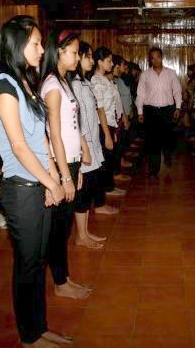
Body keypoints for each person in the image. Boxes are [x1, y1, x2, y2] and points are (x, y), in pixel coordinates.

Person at [0, 15, 69, 347]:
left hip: (39, 183)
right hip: (22, 190)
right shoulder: (4, 85)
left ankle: (40, 327)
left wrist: (53, 177)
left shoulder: (26, 82)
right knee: (27, 264)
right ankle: (29, 336)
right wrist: (51, 183)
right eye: (35, 43)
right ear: (17, 45)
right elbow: (19, 146)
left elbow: (42, 139)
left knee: (38, 261)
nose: (40, 49)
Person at [41, 30, 93, 300]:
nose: (77, 57)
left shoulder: (64, 81)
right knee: (59, 229)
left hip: (71, 163)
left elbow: (72, 128)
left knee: (63, 227)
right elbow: (55, 135)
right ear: (59, 52)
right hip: (62, 166)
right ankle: (61, 283)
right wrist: (65, 176)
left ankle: (65, 278)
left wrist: (78, 167)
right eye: (73, 52)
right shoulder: (52, 85)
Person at [70, 41, 108, 248]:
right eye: (88, 57)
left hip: (92, 142)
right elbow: (78, 120)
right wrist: (85, 146)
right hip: (83, 144)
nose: (92, 61)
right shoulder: (75, 85)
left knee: (88, 190)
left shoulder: (85, 83)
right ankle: (81, 236)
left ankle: (85, 232)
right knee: (82, 192)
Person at [135, 47, 182, 177]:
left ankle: (167, 154)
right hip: (151, 110)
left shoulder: (171, 73)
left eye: (158, 57)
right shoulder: (145, 75)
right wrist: (140, 112)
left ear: (162, 58)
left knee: (167, 138)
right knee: (152, 140)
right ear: (150, 60)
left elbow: (177, 91)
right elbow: (140, 94)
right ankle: (154, 170)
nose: (155, 60)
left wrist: (178, 107)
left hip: (168, 110)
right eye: (152, 58)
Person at [91, 47, 126, 197]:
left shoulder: (105, 79)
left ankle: (110, 187)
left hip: (109, 124)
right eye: (109, 61)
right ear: (100, 62)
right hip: (102, 126)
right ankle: (105, 191)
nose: (112, 64)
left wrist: (114, 129)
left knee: (109, 159)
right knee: (105, 160)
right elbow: (100, 109)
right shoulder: (96, 80)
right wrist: (107, 134)